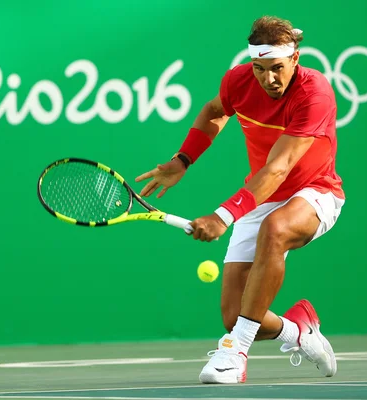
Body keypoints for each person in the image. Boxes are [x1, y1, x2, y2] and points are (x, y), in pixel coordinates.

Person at [135, 15, 345, 384]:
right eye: (260, 69)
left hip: (315, 191)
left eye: (277, 68)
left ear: (296, 58)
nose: (269, 79)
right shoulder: (238, 82)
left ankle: (233, 354)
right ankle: (298, 332)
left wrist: (222, 216)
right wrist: (183, 159)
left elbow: (279, 168)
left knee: (275, 229)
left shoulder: (316, 92)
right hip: (260, 197)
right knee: (237, 315)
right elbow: (214, 111)